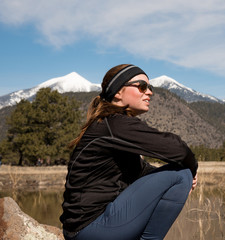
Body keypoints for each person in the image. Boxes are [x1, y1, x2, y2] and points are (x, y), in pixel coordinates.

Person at [60, 64, 198, 240]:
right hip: (91, 229)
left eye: (150, 87)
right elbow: (178, 149)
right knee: (181, 174)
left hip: (87, 229)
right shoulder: (114, 124)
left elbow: (141, 172)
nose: (149, 92)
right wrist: (192, 171)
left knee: (179, 174)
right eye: (142, 86)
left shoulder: (110, 125)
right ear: (118, 92)